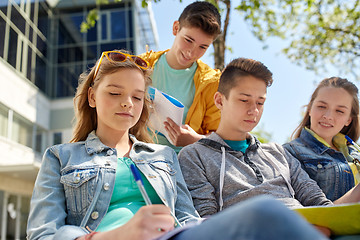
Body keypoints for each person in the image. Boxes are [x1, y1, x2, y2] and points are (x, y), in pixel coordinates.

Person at [26, 50, 329, 240]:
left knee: (266, 218)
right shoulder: (60, 157)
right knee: (265, 211)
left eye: (136, 95)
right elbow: (43, 234)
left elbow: (189, 218)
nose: (127, 104)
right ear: (92, 97)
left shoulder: (163, 156)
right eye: (114, 93)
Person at [178, 57, 360, 238]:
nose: (254, 111)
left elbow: (319, 204)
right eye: (244, 100)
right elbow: (208, 222)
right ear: (219, 101)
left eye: (260, 102)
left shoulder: (278, 152)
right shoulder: (194, 156)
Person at [140, 1, 222, 151]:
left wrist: (195, 140)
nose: (191, 52)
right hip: (137, 156)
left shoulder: (212, 83)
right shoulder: (141, 65)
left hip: (183, 163)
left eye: (203, 47)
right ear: (176, 28)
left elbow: (222, 138)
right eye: (188, 40)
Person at [283, 77, 360, 201]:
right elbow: (310, 214)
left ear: (348, 120)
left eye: (339, 111)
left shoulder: (354, 153)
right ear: (309, 109)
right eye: (322, 106)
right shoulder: (288, 153)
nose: (328, 116)